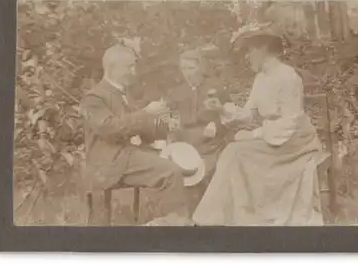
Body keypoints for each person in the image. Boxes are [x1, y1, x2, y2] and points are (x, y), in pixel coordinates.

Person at [192, 35, 327, 226]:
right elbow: (248, 114)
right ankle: (229, 217)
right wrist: (221, 108)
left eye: (250, 51)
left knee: (235, 151)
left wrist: (254, 135)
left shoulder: (288, 77)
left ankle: (213, 219)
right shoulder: (261, 77)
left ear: (263, 49)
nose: (247, 57)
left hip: (295, 142)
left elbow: (290, 121)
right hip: (274, 135)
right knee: (234, 151)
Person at [80, 44, 193, 226]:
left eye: (134, 66)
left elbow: (137, 126)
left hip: (125, 157)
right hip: (109, 164)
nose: (134, 71)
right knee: (170, 172)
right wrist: (147, 113)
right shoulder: (94, 98)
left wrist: (165, 127)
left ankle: (165, 222)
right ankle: (177, 228)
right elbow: (111, 130)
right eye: (129, 67)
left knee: (178, 163)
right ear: (112, 68)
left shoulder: (121, 94)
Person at [165, 49, 233, 211]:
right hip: (185, 141)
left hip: (209, 142)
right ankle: (189, 213)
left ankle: (210, 212)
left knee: (207, 171)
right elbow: (170, 116)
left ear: (200, 68)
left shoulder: (215, 87)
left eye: (191, 68)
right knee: (183, 170)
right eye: (184, 69)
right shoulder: (176, 92)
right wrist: (172, 123)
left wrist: (216, 124)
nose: (187, 73)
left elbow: (229, 114)